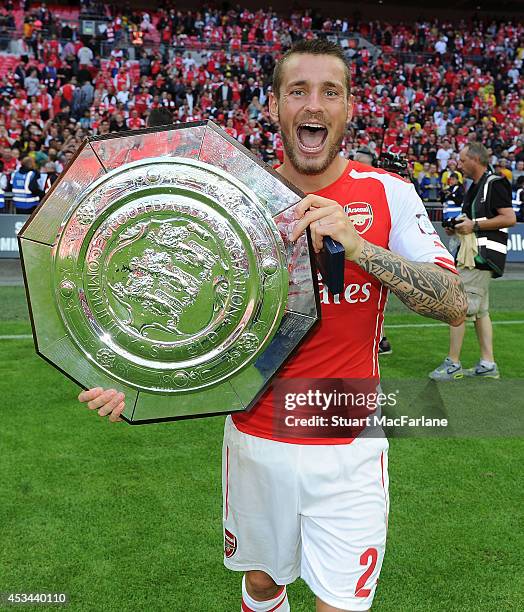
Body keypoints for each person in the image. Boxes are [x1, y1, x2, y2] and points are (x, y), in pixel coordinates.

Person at [79, 40, 467, 612]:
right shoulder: (234, 197)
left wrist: (359, 247)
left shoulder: (387, 193)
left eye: (329, 92)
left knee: (340, 603)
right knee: (262, 585)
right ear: (274, 105)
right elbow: (176, 306)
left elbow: (454, 301)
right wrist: (131, 379)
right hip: (255, 440)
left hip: (349, 446)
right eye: (298, 91)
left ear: (349, 107)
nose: (314, 104)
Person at [429, 142, 516, 381]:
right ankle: (488, 364)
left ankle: (453, 363)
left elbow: (509, 218)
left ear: (476, 160)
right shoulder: (476, 186)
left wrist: (473, 225)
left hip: (480, 256)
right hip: (474, 254)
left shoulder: (495, 183)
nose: (460, 163)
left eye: (463, 159)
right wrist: (457, 227)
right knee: (481, 312)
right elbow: (473, 220)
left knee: (459, 305)